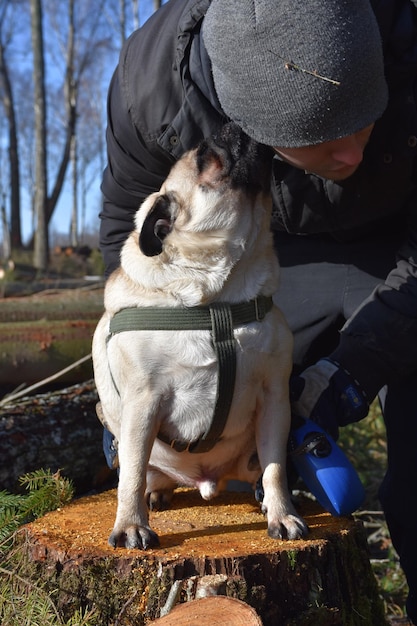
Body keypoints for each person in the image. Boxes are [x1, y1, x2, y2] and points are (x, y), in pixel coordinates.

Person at [99, 0, 417, 622]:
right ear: (245, 122)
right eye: (321, 137)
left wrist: (353, 368)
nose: (352, 154)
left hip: (400, 248)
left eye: (366, 116)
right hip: (262, 258)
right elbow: (125, 236)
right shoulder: (150, 90)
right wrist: (133, 367)